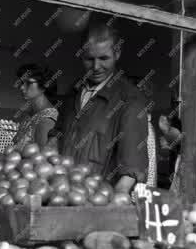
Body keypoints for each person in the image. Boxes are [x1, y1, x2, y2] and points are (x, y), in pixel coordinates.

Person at [54, 18, 148, 194]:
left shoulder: (130, 100)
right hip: (62, 196)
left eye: (104, 58)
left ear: (117, 53)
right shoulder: (74, 92)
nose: (96, 67)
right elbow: (56, 136)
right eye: (89, 59)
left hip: (96, 202)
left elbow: (131, 171)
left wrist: (110, 206)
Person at [12, 63, 59, 149]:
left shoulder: (47, 120)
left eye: (28, 83)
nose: (22, 87)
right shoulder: (29, 115)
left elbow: (44, 159)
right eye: (21, 82)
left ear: (44, 85)